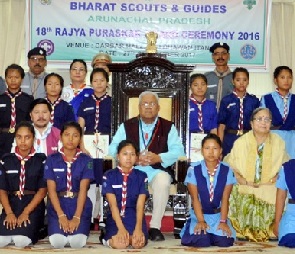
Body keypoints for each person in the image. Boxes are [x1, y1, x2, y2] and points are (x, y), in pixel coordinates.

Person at [108, 91, 185, 241]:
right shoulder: (127, 125)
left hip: (156, 170)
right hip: (133, 169)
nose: (148, 107)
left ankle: (155, 227)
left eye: (152, 104)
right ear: (139, 107)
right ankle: (126, 223)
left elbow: (179, 151)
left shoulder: (168, 126)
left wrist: (159, 157)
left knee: (163, 181)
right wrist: (133, 159)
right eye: (145, 104)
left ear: (158, 107)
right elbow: (112, 149)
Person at [224, 108, 289, 242]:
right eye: (259, 119)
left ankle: (272, 229)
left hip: (270, 184)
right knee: (232, 188)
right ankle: (241, 229)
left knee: (280, 190)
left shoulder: (279, 142)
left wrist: (277, 178)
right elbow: (230, 165)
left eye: (267, 119)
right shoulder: (241, 142)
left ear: (271, 123)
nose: (263, 122)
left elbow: (286, 166)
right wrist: (241, 179)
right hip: (245, 184)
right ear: (252, 123)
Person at [44, 121, 94, 249]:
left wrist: (77, 217)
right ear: (60, 137)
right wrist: (61, 215)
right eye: (67, 135)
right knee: (57, 242)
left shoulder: (86, 160)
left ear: (80, 139)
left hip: (79, 204)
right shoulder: (51, 159)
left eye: (75, 135)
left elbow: (84, 190)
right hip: (58, 204)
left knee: (77, 243)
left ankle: (78, 227)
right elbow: (51, 190)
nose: (70, 139)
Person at [180, 134, 236, 247]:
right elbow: (195, 198)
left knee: (224, 241)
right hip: (200, 215)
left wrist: (223, 222)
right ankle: (201, 231)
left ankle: (214, 234)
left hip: (218, 216)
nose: (211, 152)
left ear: (220, 151)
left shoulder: (227, 170)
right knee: (202, 240)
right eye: (207, 148)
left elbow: (225, 199)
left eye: (215, 148)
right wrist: (201, 221)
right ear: (201, 150)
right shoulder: (193, 169)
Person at [0, 121, 47, 247]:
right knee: (1, 241)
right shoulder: (6, 160)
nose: (23, 141)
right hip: (12, 205)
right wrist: (9, 213)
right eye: (19, 137)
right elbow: (2, 190)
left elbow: (42, 191)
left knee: (21, 241)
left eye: (27, 137)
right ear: (15, 138)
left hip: (32, 206)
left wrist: (26, 212)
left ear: (33, 138)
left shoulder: (41, 160)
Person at [102, 140, 149, 249]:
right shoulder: (109, 176)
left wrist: (138, 228)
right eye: (125, 154)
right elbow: (113, 206)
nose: (129, 158)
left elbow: (140, 205)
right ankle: (106, 239)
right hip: (116, 217)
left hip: (134, 217)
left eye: (132, 154)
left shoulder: (142, 176)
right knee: (119, 244)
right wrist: (121, 229)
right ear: (118, 156)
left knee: (138, 244)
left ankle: (131, 238)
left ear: (136, 158)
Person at [218, 67, 260, 156]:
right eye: (238, 80)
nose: (241, 83)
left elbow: (257, 124)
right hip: (230, 138)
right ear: (233, 81)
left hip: (248, 137)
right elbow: (221, 125)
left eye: (244, 80)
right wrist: (219, 146)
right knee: (229, 165)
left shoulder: (254, 101)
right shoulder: (226, 100)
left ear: (248, 81)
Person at [0, 64, 33, 158]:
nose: (13, 80)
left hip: (21, 139)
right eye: (10, 77)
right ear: (5, 79)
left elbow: (30, 121)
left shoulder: (28, 99)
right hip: (2, 137)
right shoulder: (1, 99)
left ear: (22, 79)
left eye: (16, 77)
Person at [78, 68, 111, 135]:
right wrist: (81, 142)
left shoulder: (112, 102)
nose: (99, 83)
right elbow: (80, 126)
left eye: (102, 80)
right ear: (91, 83)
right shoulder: (85, 102)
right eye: (95, 81)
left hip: (108, 140)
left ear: (107, 82)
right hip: (88, 139)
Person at [260, 66, 294, 130]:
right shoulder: (266, 99)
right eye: (282, 77)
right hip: (271, 137)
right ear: (275, 80)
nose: (286, 80)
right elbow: (262, 122)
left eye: (289, 77)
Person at [273, 159, 295, 248]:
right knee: (290, 239)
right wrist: (277, 222)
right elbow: (281, 196)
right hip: (292, 216)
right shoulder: (288, 168)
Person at [205, 42, 233, 109]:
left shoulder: (235, 78)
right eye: (217, 54)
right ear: (213, 57)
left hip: (228, 118)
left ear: (228, 56)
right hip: (210, 117)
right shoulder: (206, 78)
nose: (220, 57)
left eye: (223, 53)